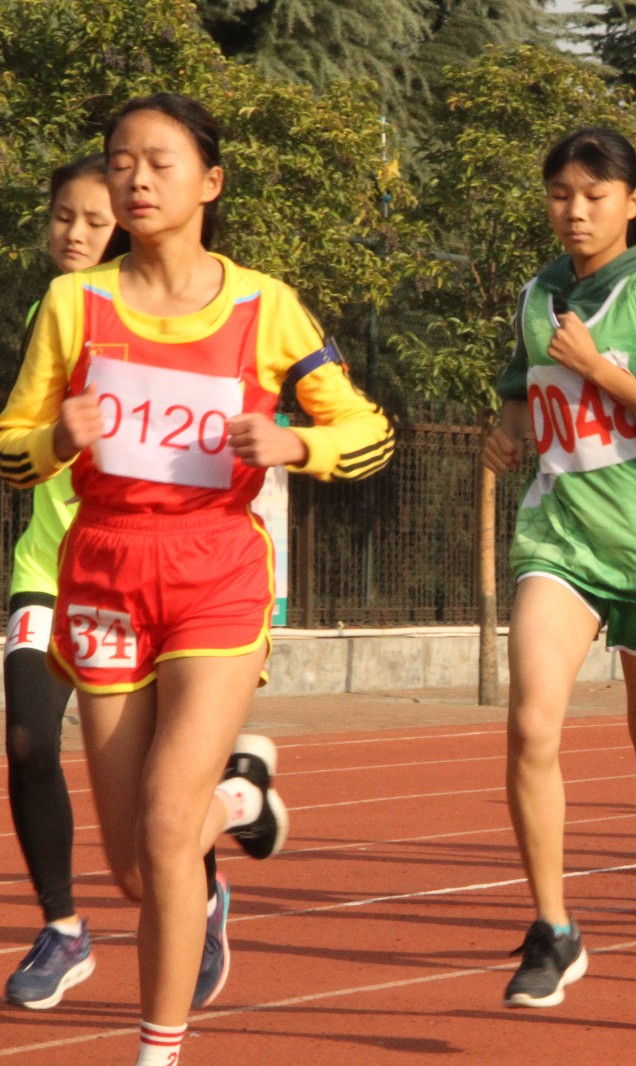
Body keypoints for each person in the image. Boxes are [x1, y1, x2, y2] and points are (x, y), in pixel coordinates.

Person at [0, 93, 391, 1064]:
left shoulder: (264, 306)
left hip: (216, 571)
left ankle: (158, 1050)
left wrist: (298, 440)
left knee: (172, 823)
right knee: (138, 866)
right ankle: (246, 800)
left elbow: (371, 433)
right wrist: (56, 436)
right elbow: (10, 446)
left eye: (160, 161)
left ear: (209, 183)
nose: (136, 177)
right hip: (101, 573)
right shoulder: (71, 303)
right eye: (121, 160)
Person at [483, 127, 636, 1025]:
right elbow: (521, 383)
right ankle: (553, 928)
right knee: (529, 724)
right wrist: (511, 426)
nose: (575, 210)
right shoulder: (537, 292)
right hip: (560, 538)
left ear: (631, 201)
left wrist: (598, 370)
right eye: (559, 194)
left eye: (593, 194)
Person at [4, 153, 124, 1010]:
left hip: (128, 578)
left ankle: (206, 867)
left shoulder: (155, 315)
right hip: (45, 571)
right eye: (62, 217)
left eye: (94, 220)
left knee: (148, 778)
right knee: (27, 743)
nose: (74, 233)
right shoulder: (49, 312)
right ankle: (64, 927)